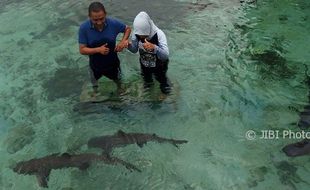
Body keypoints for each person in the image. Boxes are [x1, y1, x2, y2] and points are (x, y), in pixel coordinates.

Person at [78, 2, 131, 95]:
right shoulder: (84, 28)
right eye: (95, 19)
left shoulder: (113, 23)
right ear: (89, 16)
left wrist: (123, 41)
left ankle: (120, 89)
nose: (99, 22)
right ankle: (95, 92)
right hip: (95, 65)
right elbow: (82, 50)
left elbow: (127, 29)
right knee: (94, 83)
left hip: (113, 63)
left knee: (118, 80)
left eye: (101, 18)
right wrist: (98, 50)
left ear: (105, 14)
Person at [127, 11, 171, 94]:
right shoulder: (136, 34)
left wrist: (154, 47)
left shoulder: (159, 34)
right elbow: (134, 50)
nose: (142, 37)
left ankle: (165, 93)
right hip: (145, 64)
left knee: (163, 81)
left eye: (145, 35)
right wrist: (128, 45)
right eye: (140, 36)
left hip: (160, 65)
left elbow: (165, 55)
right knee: (147, 83)